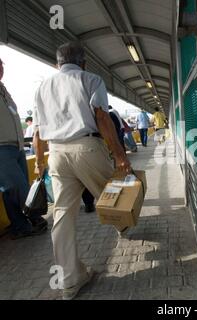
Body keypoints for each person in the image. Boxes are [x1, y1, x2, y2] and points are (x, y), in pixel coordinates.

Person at [32, 42, 132, 300]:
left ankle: (69, 281)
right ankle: (123, 225)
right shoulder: (91, 79)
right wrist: (120, 155)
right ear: (83, 62)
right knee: (114, 193)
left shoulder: (42, 88)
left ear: (57, 64)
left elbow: (37, 133)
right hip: (86, 146)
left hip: (56, 153)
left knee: (63, 216)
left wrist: (38, 163)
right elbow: (101, 117)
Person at [0, 58, 48, 240]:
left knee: (9, 191)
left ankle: (19, 226)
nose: (1, 69)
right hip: (1, 148)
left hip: (17, 146)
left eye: (1, 66)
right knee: (18, 188)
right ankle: (35, 218)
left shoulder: (4, 90)